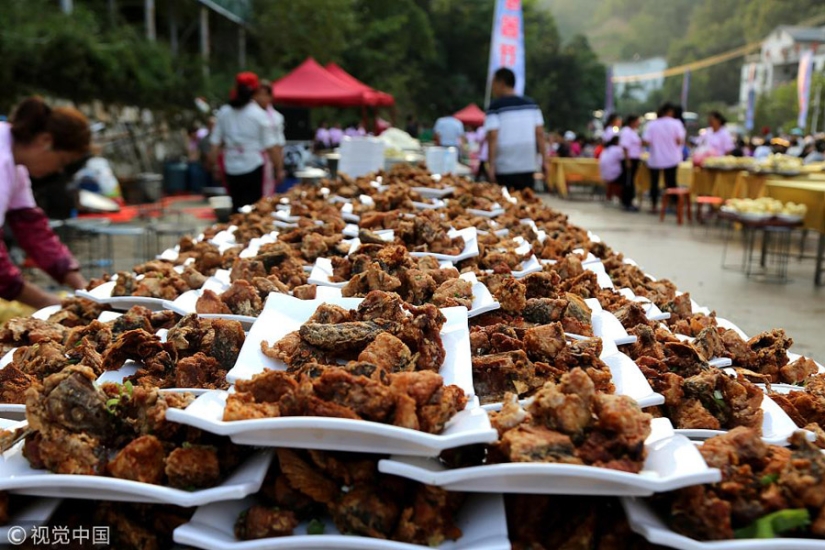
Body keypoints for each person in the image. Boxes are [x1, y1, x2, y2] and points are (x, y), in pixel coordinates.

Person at [0, 97, 88, 307]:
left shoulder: (17, 166)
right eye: (62, 161)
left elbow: (33, 228)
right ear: (45, 141)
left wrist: (83, 288)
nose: (58, 170)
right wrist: (48, 303)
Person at [210, 72, 278, 212]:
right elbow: (271, 146)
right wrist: (279, 168)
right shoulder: (259, 114)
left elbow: (215, 143)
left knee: (235, 204)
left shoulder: (224, 112)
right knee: (253, 208)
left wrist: (213, 165)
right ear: (254, 91)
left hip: (230, 166)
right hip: (253, 165)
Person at [485, 67, 546, 191]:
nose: (492, 88)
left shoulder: (495, 107)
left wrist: (491, 165)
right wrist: (545, 161)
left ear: (501, 83)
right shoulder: (532, 105)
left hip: (505, 166)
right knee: (526, 202)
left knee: (506, 203)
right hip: (528, 164)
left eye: (493, 83)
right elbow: (539, 133)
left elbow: (493, 136)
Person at [642, 102, 685, 212]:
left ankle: (654, 206)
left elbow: (646, 142)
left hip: (655, 158)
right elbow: (679, 141)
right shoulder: (676, 124)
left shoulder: (652, 124)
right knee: (671, 183)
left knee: (654, 183)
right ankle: (673, 205)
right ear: (670, 112)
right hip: (672, 158)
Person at [253, 80, 286, 197]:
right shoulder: (249, 115)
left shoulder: (276, 118)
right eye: (259, 94)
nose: (261, 98)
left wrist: (279, 168)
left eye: (265, 94)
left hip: (268, 159)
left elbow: (278, 145)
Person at [619, 114, 642, 211]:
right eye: (637, 121)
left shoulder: (634, 132)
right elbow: (625, 147)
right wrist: (627, 160)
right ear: (632, 121)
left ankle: (629, 200)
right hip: (629, 159)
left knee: (631, 181)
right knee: (628, 181)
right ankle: (626, 202)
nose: (639, 123)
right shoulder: (626, 131)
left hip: (634, 159)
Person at [599, 135, 625, 205]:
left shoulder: (607, 149)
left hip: (604, 173)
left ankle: (609, 196)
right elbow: (623, 160)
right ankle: (621, 197)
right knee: (625, 179)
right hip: (614, 173)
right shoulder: (618, 149)